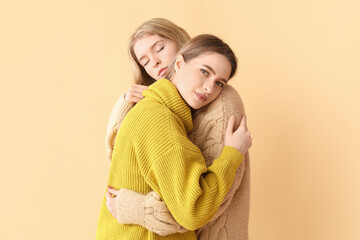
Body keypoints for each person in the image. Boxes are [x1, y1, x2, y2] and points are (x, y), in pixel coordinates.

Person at [104, 18, 251, 239]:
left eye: (160, 48)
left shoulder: (219, 104)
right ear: (180, 64)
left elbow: (207, 205)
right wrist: (124, 103)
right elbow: (194, 208)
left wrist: (135, 208)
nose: (210, 87)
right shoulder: (158, 116)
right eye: (145, 61)